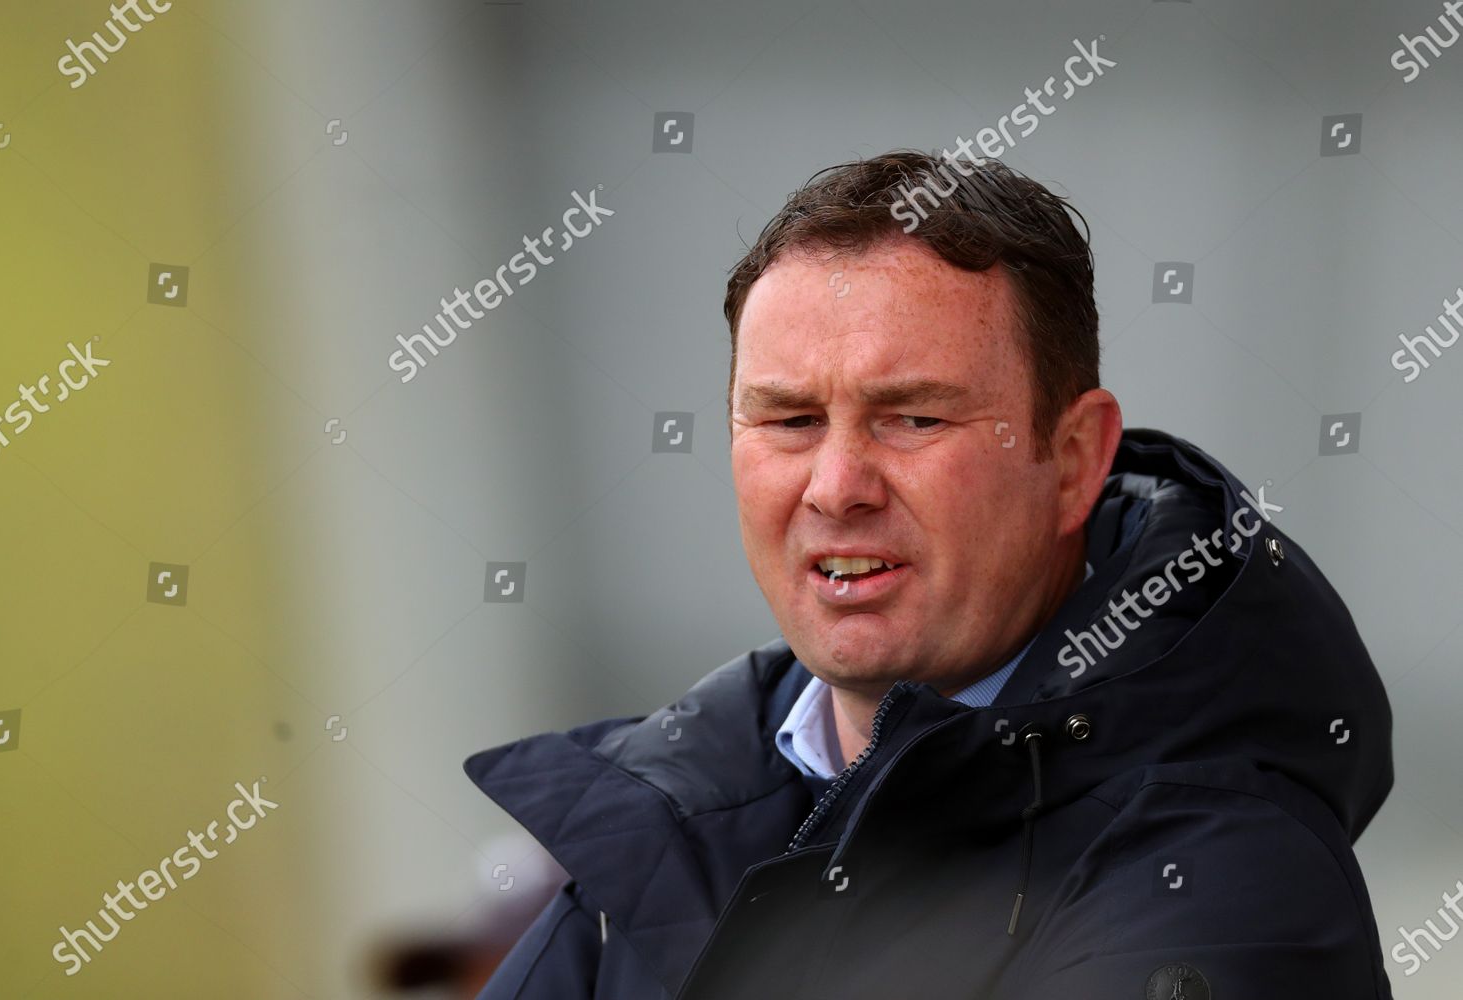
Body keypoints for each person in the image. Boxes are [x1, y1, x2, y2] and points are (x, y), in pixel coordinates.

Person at [463, 151, 1395, 999]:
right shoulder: (670, 810)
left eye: (913, 419)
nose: (836, 487)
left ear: (1074, 460)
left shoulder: (1226, 880)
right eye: (788, 420)